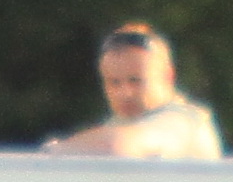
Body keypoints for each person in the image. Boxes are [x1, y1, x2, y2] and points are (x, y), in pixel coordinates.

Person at [41, 24, 223, 159]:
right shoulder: (119, 124)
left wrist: (55, 152)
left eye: (136, 81)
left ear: (167, 76)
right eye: (114, 82)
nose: (125, 93)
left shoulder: (183, 122)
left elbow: (118, 145)